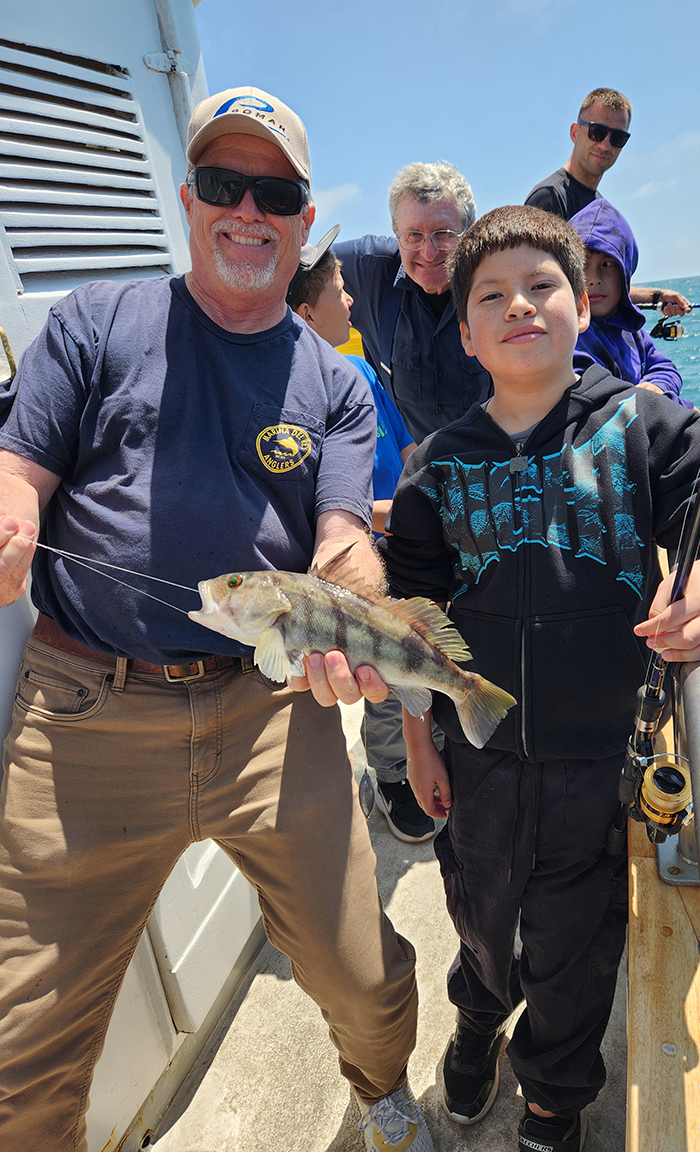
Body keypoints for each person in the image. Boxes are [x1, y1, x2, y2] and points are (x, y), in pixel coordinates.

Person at [0, 86, 434, 1152]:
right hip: (82, 723)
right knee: (22, 1043)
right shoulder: (96, 320)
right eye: (222, 185)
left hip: (269, 711)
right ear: (189, 200)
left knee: (360, 972)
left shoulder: (332, 382)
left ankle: (383, 1090)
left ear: (303, 220)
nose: (247, 210)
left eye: (273, 192)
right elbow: (19, 470)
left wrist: (369, 620)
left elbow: (340, 540)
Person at [381, 205, 700, 1150]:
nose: (520, 305)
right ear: (467, 335)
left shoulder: (651, 426)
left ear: (582, 303)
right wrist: (415, 743)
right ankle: (478, 1020)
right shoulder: (432, 469)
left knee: (577, 942)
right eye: (492, 296)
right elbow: (412, 624)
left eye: (541, 285)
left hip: (599, 758)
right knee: (477, 908)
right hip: (473, 759)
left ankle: (555, 1093)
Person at [288, 231, 435, 843]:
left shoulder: (359, 369)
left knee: (417, 653)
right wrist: (392, 515)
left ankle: (423, 752)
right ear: (305, 314)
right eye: (339, 292)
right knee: (376, 675)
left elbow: (407, 447)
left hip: (401, 536)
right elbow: (316, 508)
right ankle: (393, 777)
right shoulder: (294, 397)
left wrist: (420, 505)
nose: (351, 302)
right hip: (357, 557)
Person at [333, 161, 491, 443]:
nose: (428, 253)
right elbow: (290, 270)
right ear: (395, 231)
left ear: (468, 232)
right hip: (408, 472)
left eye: (443, 234)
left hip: (491, 468)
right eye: (414, 236)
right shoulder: (369, 270)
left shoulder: (497, 277)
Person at [526, 87, 691, 317]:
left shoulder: (600, 207)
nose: (605, 145)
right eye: (597, 132)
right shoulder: (549, 197)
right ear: (575, 132)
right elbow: (536, 287)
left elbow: (601, 288)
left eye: (617, 137)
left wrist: (657, 296)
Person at [570, 198, 694, 408]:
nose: (593, 279)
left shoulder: (634, 331)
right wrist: (681, 407)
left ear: (625, 273)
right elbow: (600, 403)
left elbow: (665, 368)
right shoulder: (569, 337)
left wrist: (659, 387)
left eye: (608, 264)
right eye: (582, 265)